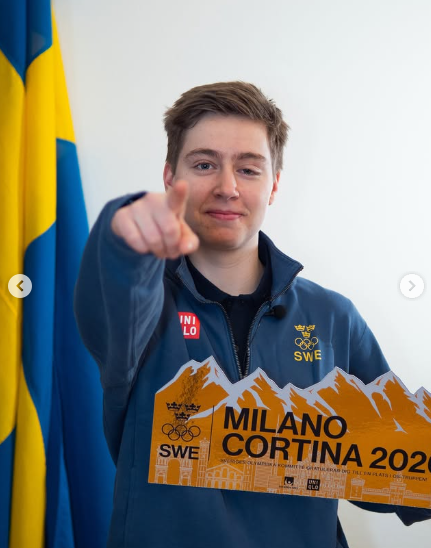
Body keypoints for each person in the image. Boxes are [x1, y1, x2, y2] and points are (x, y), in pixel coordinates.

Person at [74, 81, 430, 548]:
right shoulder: (137, 309)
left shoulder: (333, 317)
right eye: (204, 164)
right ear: (170, 178)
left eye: (248, 169)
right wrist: (125, 237)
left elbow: (399, 468)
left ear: (274, 184)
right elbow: (111, 288)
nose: (227, 187)